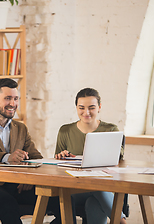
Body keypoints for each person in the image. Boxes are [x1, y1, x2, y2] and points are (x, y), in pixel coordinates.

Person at [0, 78, 62, 224]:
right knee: (8, 205)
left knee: (61, 200)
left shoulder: (20, 128)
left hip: (19, 185)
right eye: (7, 98)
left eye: (16, 99)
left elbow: (36, 157)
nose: (13, 104)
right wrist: (7, 157)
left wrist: (30, 177)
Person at [54, 87, 127, 224]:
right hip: (73, 190)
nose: (86, 112)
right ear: (76, 107)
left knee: (95, 199)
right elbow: (56, 164)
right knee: (98, 190)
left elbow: (119, 160)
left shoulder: (110, 130)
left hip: (102, 187)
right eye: (81, 108)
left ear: (99, 107)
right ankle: (122, 222)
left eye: (91, 108)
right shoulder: (65, 131)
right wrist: (61, 156)